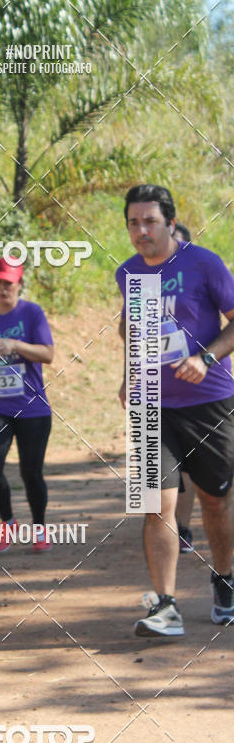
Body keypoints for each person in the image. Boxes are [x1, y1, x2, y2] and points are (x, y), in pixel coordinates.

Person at [116, 184, 234, 636]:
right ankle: (165, 605)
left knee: (215, 500)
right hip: (151, 403)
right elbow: (134, 330)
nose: (141, 231)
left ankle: (224, 582)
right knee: (155, 504)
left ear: (169, 222)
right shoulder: (128, 273)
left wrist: (205, 359)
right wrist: (129, 376)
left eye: (149, 221)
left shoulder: (204, 263)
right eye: (133, 223)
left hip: (209, 401)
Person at [0, 257, 53, 553]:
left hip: (33, 408)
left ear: (20, 284)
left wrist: (15, 345)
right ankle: (8, 522)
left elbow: (48, 354)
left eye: (9, 283)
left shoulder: (31, 313)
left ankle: (40, 528)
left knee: (31, 472)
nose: (4, 288)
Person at [173, 222, 195, 554]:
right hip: (153, 390)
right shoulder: (143, 279)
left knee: (189, 468)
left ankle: (183, 528)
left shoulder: (200, 277)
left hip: (197, 391)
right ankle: (163, 525)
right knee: (157, 467)